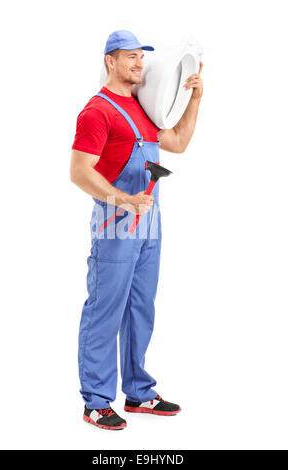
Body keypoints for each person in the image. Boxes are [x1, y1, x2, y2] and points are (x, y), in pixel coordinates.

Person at [70, 30, 203, 431]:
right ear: (110, 61)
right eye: (130, 57)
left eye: (141, 57)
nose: (139, 64)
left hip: (150, 224)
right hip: (115, 225)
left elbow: (177, 142)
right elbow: (78, 172)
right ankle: (95, 401)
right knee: (104, 311)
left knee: (141, 308)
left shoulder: (144, 108)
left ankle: (139, 392)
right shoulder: (97, 111)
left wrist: (195, 99)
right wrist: (123, 200)